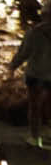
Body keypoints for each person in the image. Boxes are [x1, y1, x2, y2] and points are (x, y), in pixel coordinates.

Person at [7, 13, 51, 147]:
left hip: (36, 75)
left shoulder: (34, 32)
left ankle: (35, 137)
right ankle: (49, 135)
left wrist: (13, 66)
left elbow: (24, 53)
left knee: (35, 107)